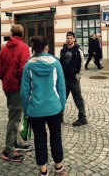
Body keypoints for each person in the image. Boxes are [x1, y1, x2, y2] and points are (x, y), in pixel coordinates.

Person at [21, 36, 68, 176]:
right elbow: (61, 88)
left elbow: (24, 92)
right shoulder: (56, 63)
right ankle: (59, 168)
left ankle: (43, 171)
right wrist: (62, 106)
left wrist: (26, 110)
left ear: (34, 48)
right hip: (54, 108)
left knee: (39, 139)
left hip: (35, 110)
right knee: (56, 137)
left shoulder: (28, 65)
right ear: (47, 47)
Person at [0, 24, 32, 162]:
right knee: (15, 118)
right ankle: (8, 149)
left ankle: (17, 142)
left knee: (15, 115)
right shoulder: (23, 48)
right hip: (17, 88)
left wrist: (6, 79)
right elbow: (24, 70)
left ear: (11, 34)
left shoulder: (4, 49)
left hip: (7, 88)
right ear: (22, 34)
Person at [60, 31, 87, 127]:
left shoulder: (78, 50)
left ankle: (83, 118)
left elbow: (82, 64)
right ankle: (60, 116)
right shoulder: (63, 50)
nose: (69, 40)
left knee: (78, 98)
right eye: (67, 38)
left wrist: (78, 76)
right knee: (62, 98)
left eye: (71, 38)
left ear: (74, 39)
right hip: (65, 78)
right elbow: (61, 64)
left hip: (74, 79)